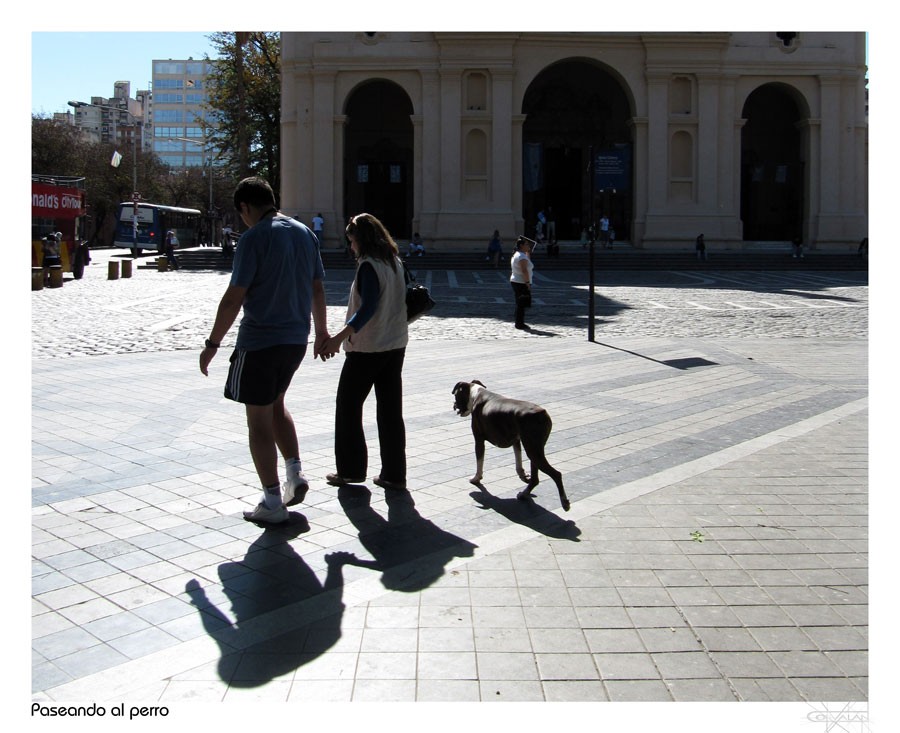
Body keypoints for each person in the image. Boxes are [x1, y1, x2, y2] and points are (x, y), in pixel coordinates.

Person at [199, 176, 332, 524]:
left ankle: (272, 501)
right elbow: (318, 289)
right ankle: (294, 473)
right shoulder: (306, 234)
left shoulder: (253, 238)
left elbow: (233, 298)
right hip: (295, 341)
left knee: (257, 421)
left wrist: (212, 344)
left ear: (245, 207)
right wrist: (321, 331)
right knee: (277, 405)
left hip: (259, 342)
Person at [321, 213, 409, 492]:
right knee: (390, 411)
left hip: (369, 347)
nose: (351, 247)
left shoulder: (369, 266)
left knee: (348, 407)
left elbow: (367, 308)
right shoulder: (395, 261)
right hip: (395, 344)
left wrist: (337, 338)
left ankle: (350, 470)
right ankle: (394, 474)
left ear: (362, 239)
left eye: (352, 240)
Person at [510, 236, 534, 330]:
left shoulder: (519, 254)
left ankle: (518, 321)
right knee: (521, 303)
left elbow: (526, 263)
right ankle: (519, 323)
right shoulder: (521, 256)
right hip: (521, 282)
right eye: (527, 244)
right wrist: (527, 283)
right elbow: (524, 270)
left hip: (517, 281)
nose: (529, 246)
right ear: (521, 245)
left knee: (520, 302)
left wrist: (528, 253)